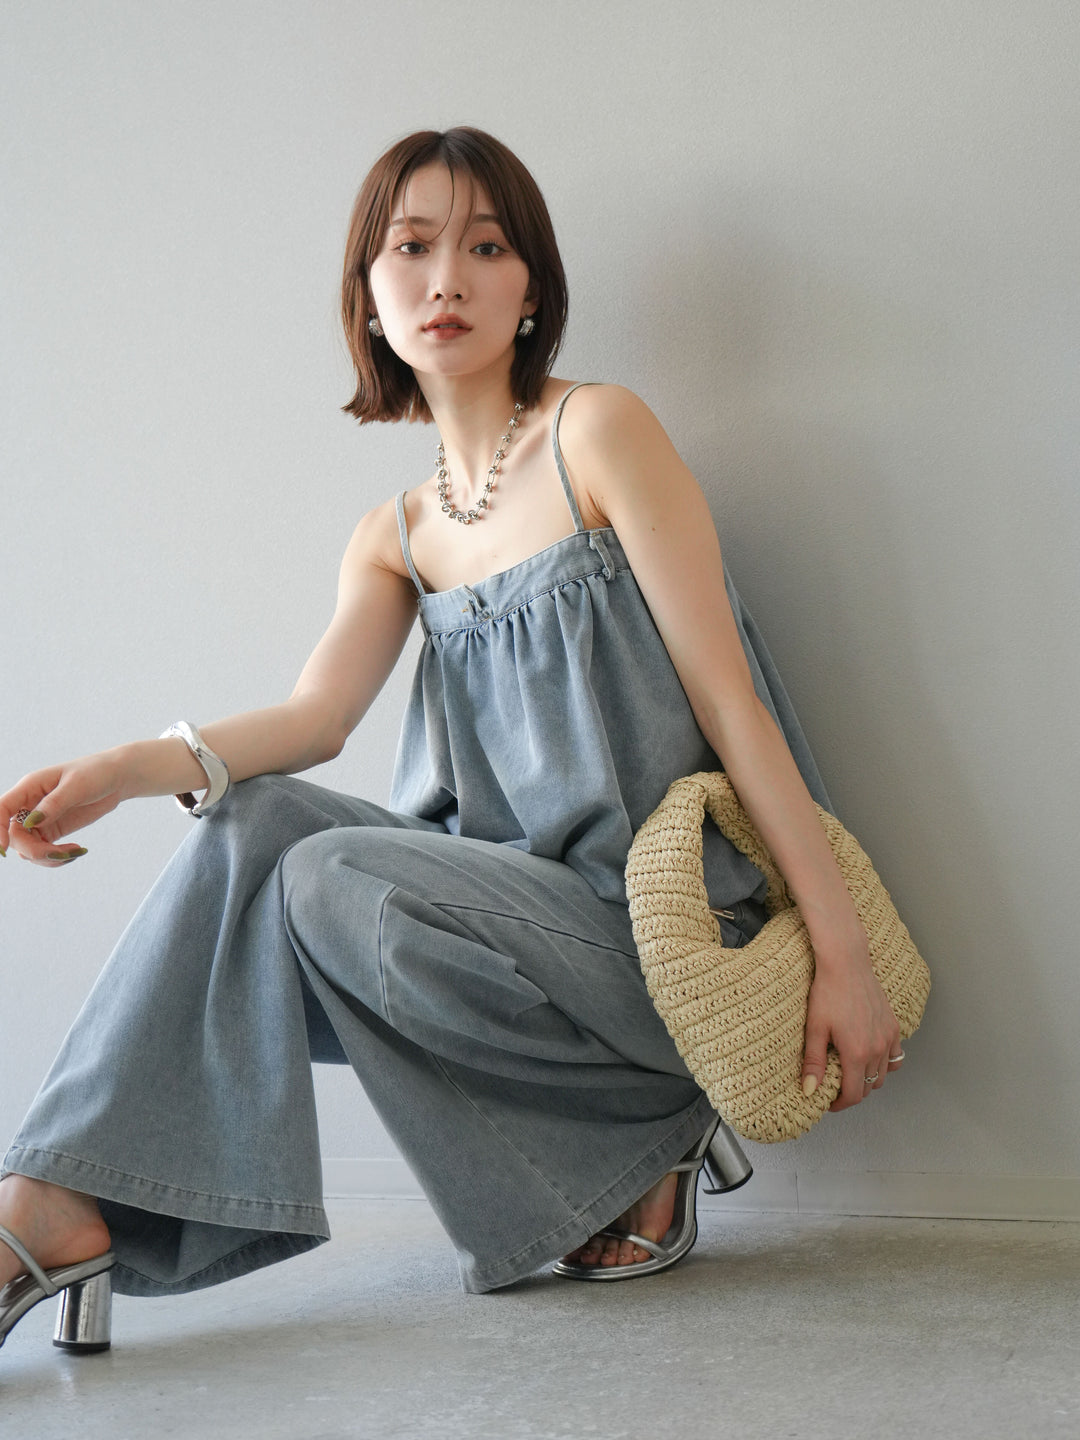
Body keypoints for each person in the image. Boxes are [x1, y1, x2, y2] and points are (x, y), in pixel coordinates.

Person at [0, 127, 903, 1351]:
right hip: (505, 938)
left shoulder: (600, 434)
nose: (446, 281)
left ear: (532, 287)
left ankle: (635, 1131)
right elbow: (313, 723)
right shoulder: (399, 534)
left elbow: (732, 702)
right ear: (368, 298)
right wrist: (116, 772)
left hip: (668, 937)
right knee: (255, 823)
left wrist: (843, 954)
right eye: (412, 249)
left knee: (324, 872)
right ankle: (55, 1197)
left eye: (485, 248)